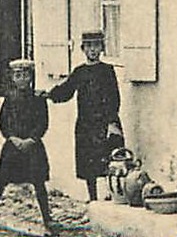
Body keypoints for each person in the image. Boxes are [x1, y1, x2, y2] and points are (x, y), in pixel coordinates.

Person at [45, 30, 123, 202]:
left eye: (96, 46)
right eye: (89, 46)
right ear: (83, 49)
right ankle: (92, 197)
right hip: (86, 124)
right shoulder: (80, 72)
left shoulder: (107, 70)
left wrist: (111, 121)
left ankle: (111, 195)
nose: (93, 50)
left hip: (105, 122)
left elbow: (114, 97)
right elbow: (66, 91)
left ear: (102, 48)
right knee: (88, 162)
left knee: (110, 158)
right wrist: (49, 95)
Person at [0, 59, 56, 237]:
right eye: (18, 75)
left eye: (25, 75)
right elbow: (2, 121)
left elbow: (43, 123)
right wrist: (12, 138)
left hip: (33, 147)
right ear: (12, 78)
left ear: (31, 77)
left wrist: (32, 139)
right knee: (0, 182)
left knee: (39, 184)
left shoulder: (38, 99)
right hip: (13, 147)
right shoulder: (9, 98)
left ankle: (48, 220)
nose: (22, 79)